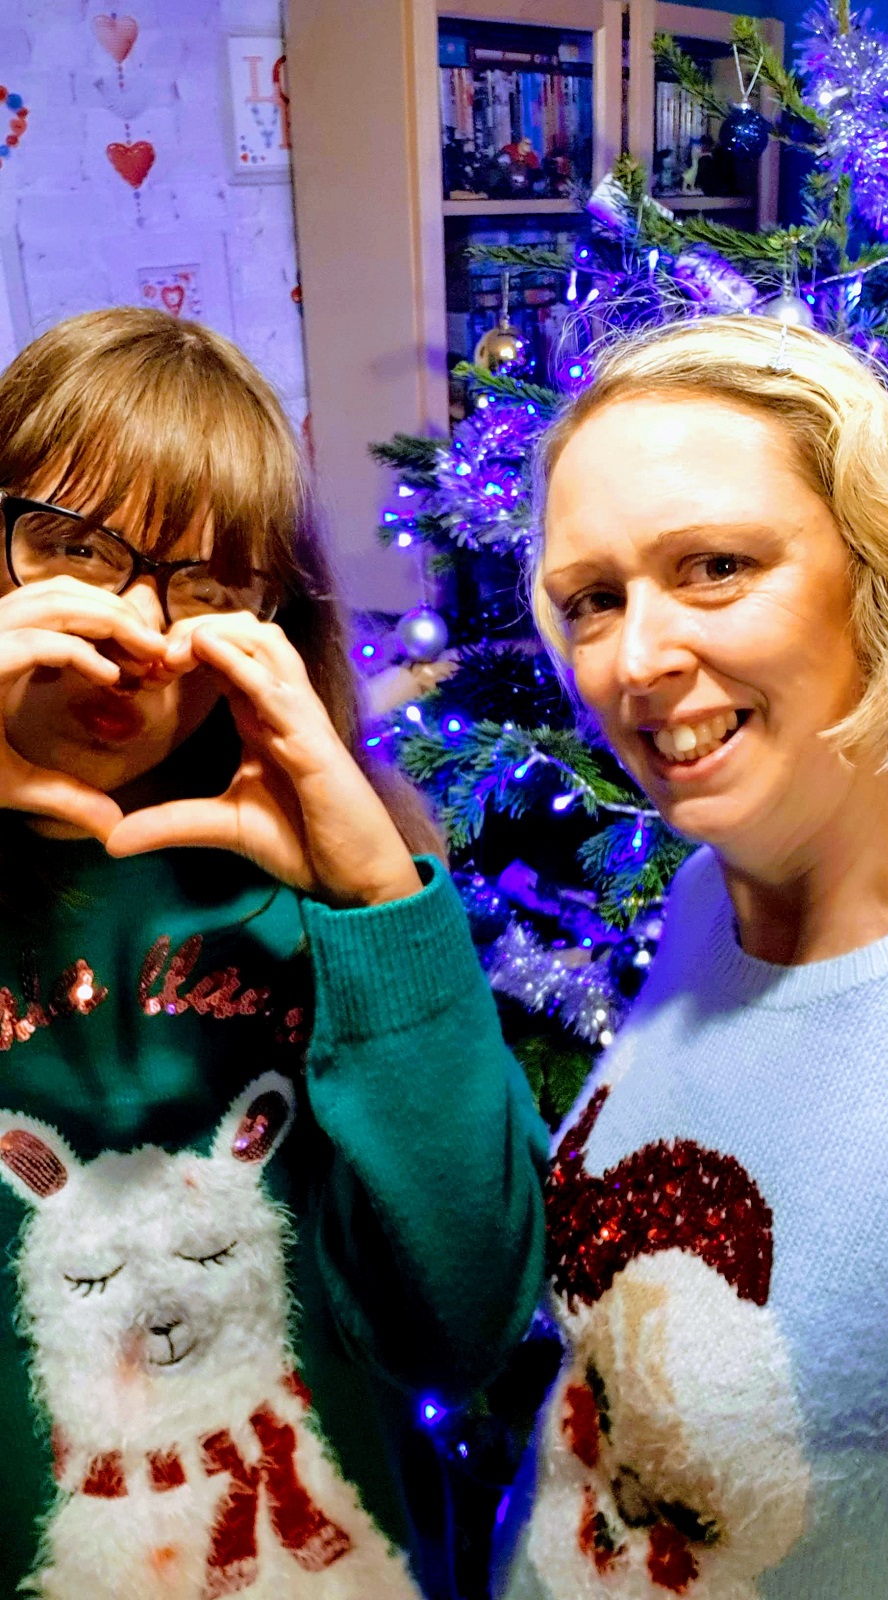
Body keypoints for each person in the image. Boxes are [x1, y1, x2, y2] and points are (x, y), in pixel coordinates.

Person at [0, 307, 546, 1600]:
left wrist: (375, 904)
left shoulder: (329, 903)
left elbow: (463, 1325)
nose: (131, 630)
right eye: (70, 551)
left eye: (205, 584)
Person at [496, 315, 888, 1599]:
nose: (636, 660)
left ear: (877, 569)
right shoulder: (702, 904)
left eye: (716, 565)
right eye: (592, 601)